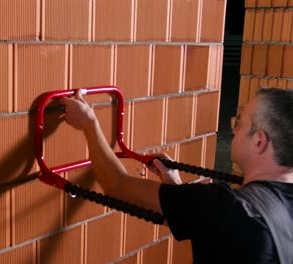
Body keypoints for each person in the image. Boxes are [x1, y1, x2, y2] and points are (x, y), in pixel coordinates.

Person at [59, 88, 293, 264]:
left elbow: (117, 185)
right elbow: (211, 226)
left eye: (240, 123)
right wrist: (174, 185)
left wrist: (89, 124)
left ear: (259, 141)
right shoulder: (262, 209)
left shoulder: (227, 207)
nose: (234, 129)